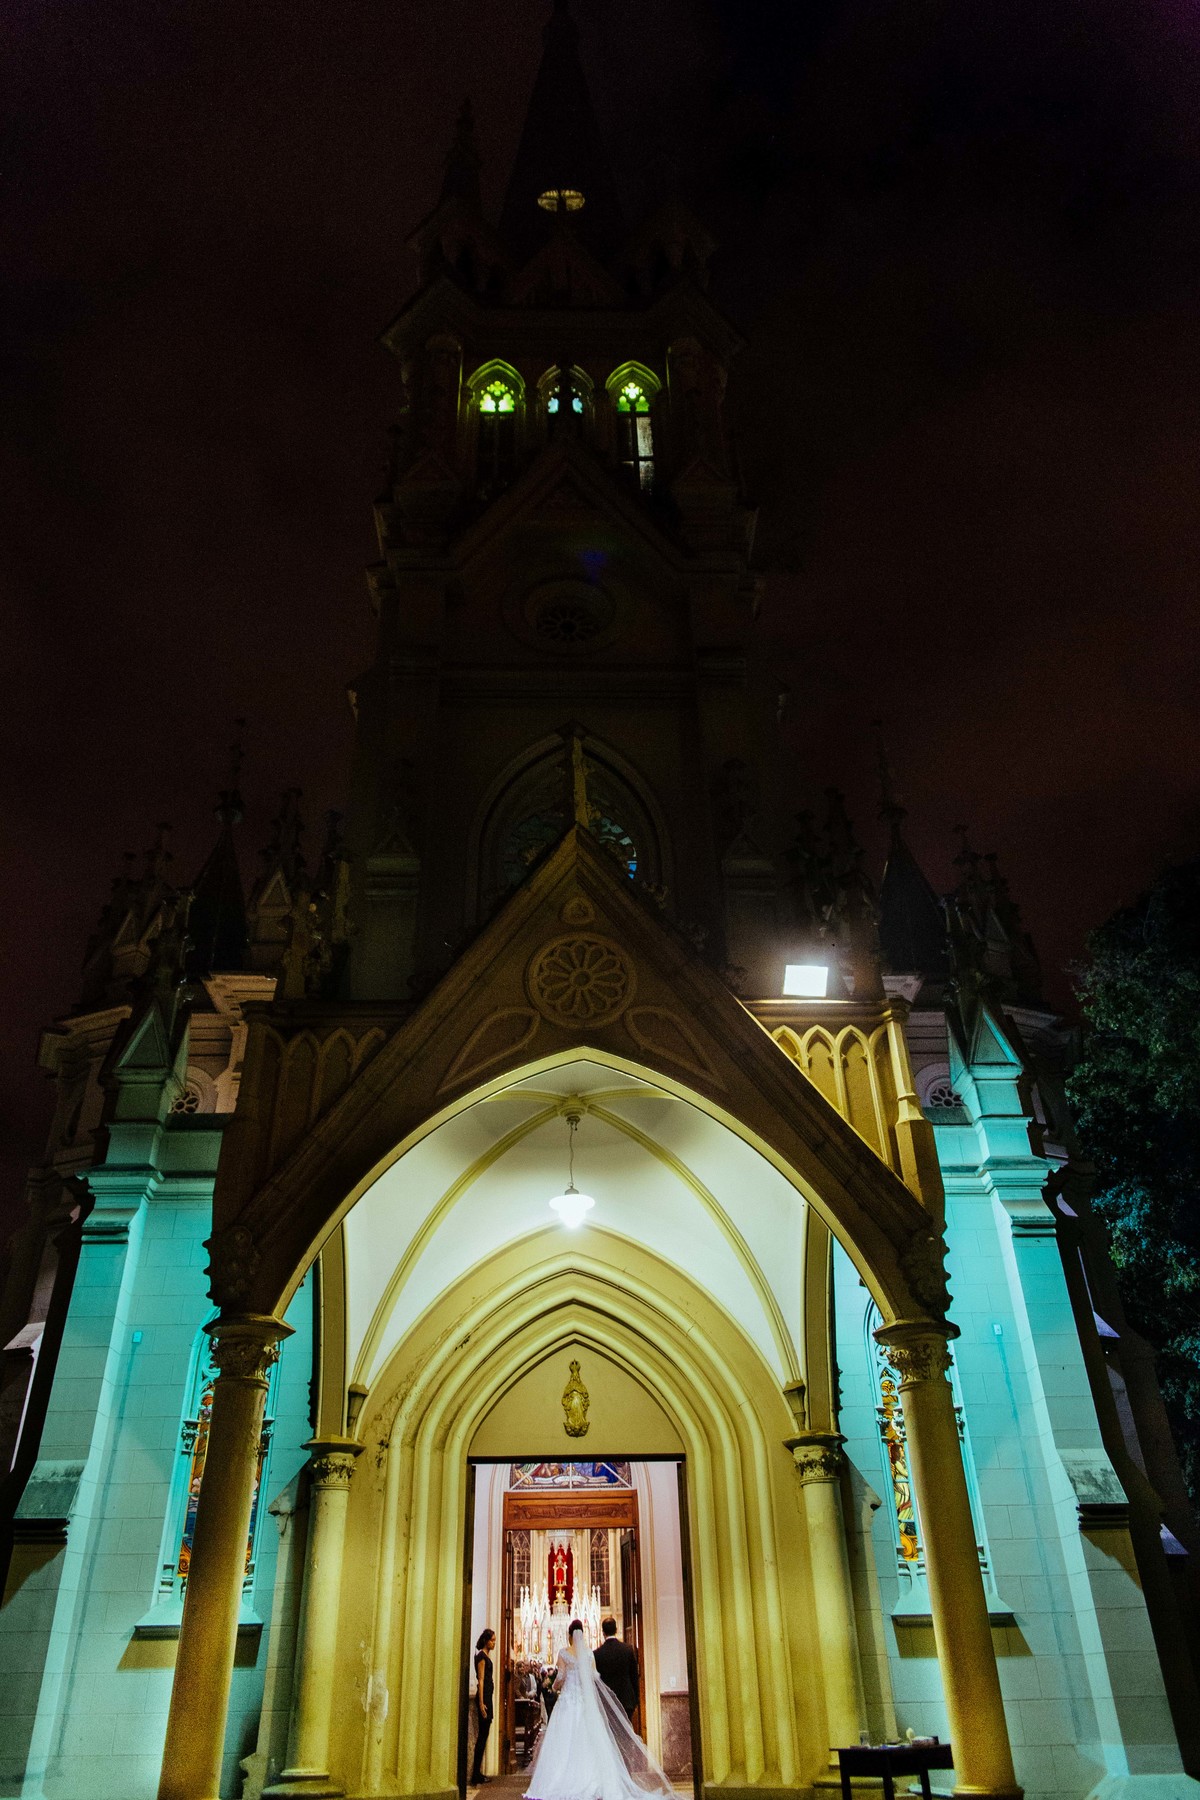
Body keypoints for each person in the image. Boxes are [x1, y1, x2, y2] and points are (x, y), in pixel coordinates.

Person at [524, 1620, 673, 1800]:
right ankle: (595, 1778)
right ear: (583, 1634)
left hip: (568, 1703)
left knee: (565, 1740)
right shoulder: (589, 1654)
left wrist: (553, 1685)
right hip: (586, 1703)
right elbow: (595, 1677)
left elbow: (561, 1676)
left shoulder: (564, 1653)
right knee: (589, 1740)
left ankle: (564, 1779)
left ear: (569, 1635)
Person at [593, 1617, 640, 1722]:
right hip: (626, 1700)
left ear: (603, 1632)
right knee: (626, 1733)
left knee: (610, 1735)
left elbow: (596, 1680)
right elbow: (634, 1676)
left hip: (607, 1701)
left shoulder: (597, 1654)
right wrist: (636, 1699)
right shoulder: (627, 1650)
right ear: (616, 1630)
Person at [471, 1628, 496, 1786]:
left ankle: (477, 1772)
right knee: (482, 1737)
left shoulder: (485, 1656)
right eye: (492, 1640)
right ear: (486, 1640)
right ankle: (475, 1774)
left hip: (487, 1697)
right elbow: (480, 1680)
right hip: (484, 1698)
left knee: (484, 1735)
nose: (494, 1643)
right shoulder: (481, 1657)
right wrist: (481, 1703)